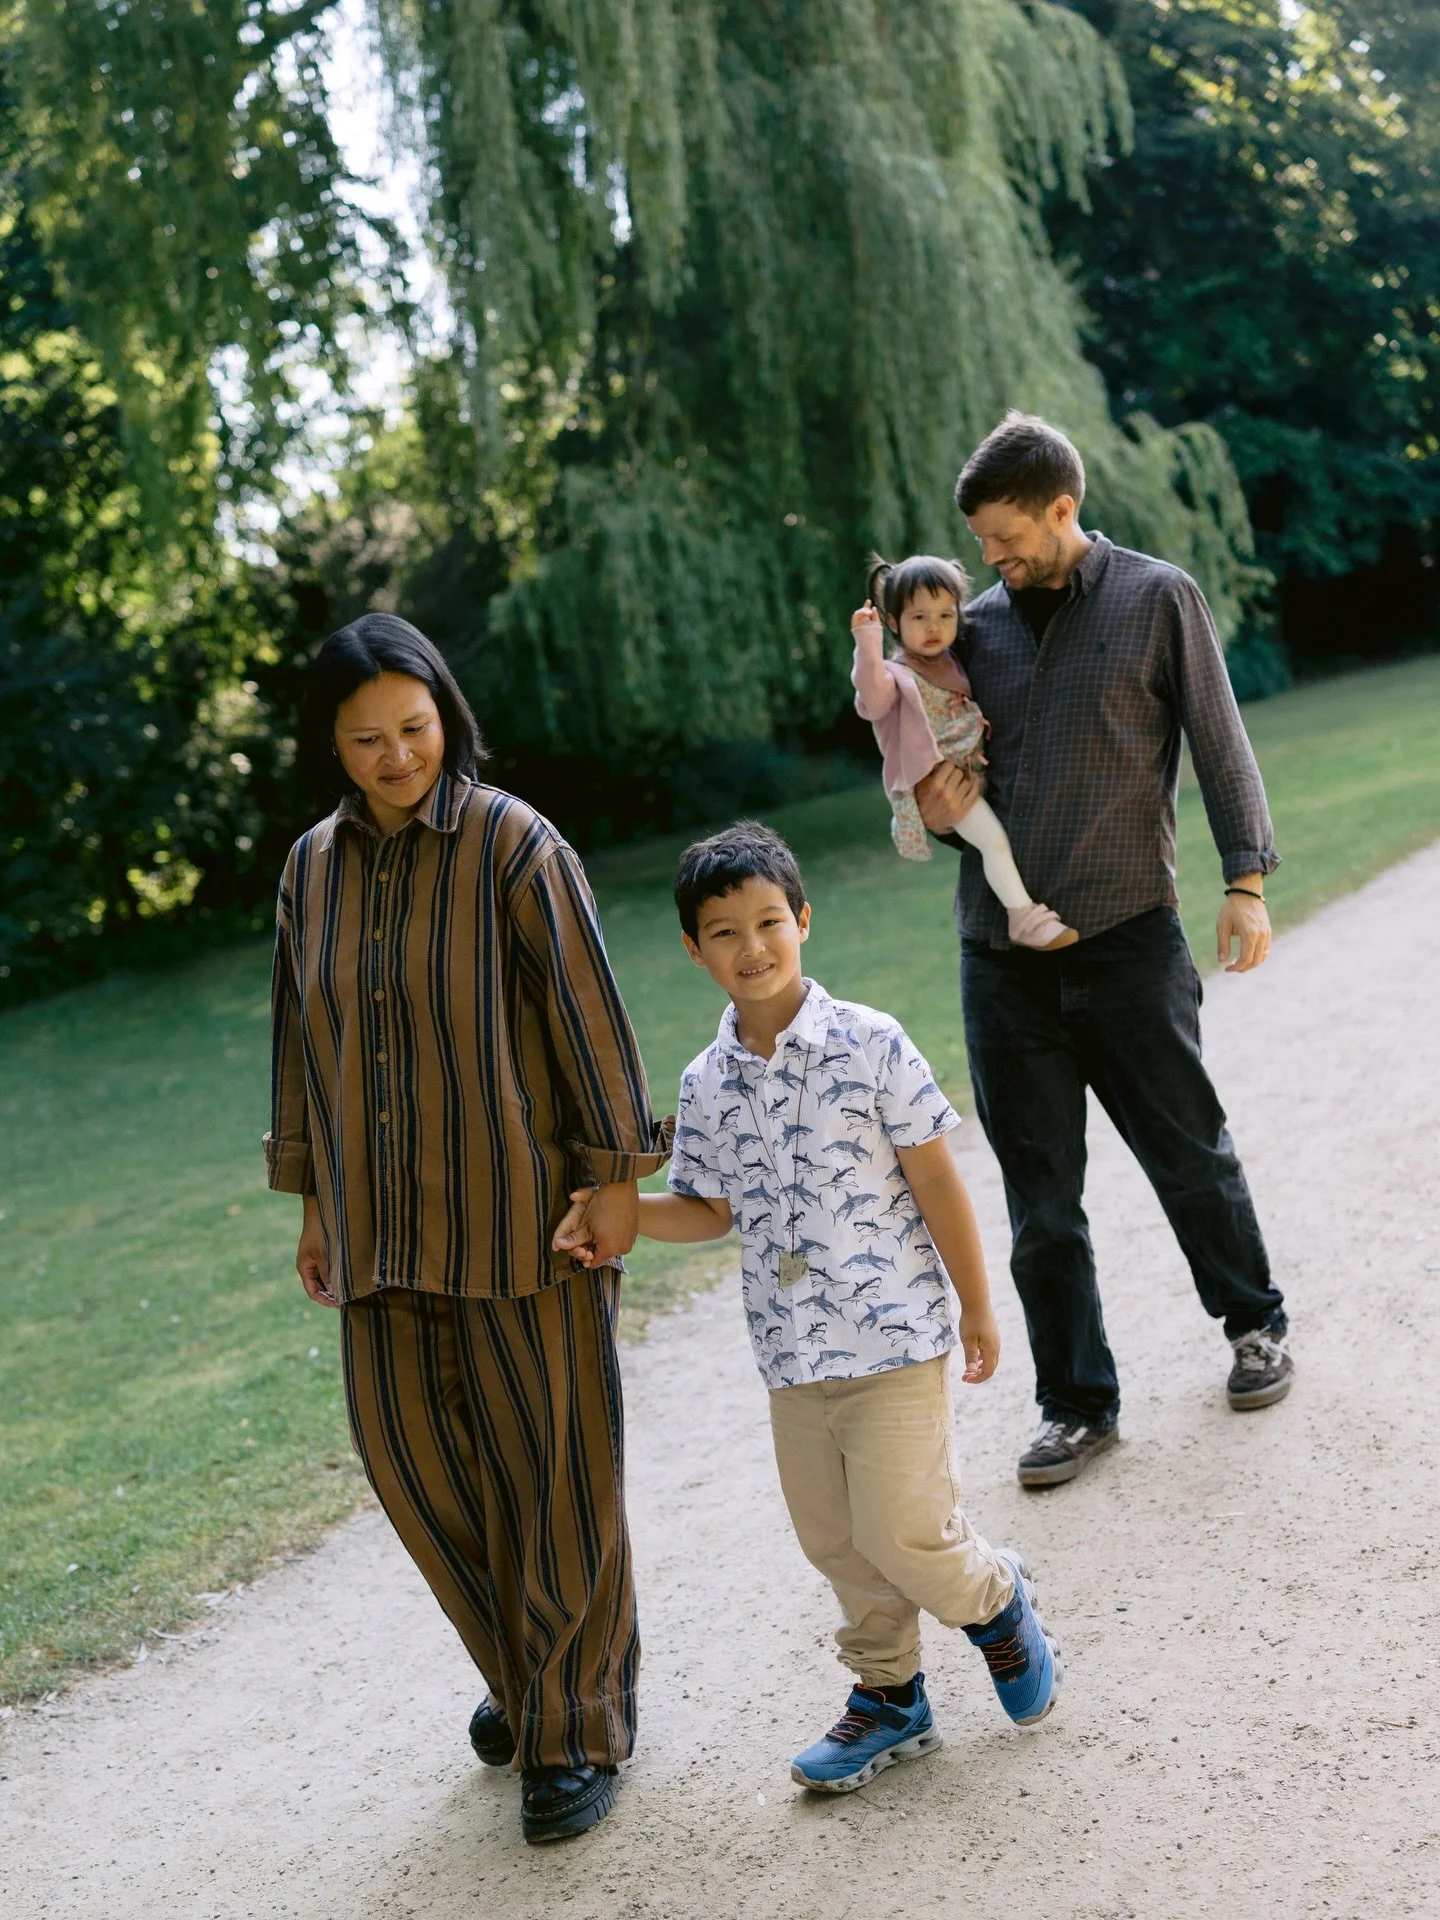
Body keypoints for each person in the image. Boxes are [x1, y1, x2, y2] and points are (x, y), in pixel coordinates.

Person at [264, 614, 667, 1845]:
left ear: (448, 714)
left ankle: (574, 1725)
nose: (398, 758)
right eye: (368, 739)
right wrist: (316, 1197)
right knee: (412, 1465)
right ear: (331, 747)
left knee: (553, 1470)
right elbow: (300, 1038)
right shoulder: (309, 871)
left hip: (521, 1218)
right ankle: (532, 1671)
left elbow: (589, 1014)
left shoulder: (512, 845)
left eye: (416, 728)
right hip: (379, 1228)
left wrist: (613, 1179)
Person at [555, 823, 1063, 1794]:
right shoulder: (706, 1085)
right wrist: (620, 1214)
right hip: (793, 1360)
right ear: (693, 949)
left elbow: (937, 1179)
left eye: (768, 922)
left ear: (804, 921)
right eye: (723, 932)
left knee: (907, 1528)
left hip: (896, 1340)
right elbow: (709, 1210)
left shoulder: (870, 1043)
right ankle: (890, 1698)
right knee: (833, 1537)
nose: (751, 947)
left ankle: (996, 1601)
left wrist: (978, 1306)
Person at [915, 411, 1292, 1490]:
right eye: (982, 542)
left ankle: (1255, 1325)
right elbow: (934, 777)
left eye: (1005, 535)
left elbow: (1222, 747)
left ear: (1061, 507)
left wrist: (1247, 884)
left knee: (1189, 1153)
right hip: (1001, 962)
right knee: (1040, 1201)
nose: (992, 559)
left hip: (1131, 940)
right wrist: (938, 810)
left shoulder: (1158, 598)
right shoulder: (971, 634)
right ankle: (1077, 1405)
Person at [851, 554, 1076, 951]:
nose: (934, 627)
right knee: (994, 841)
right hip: (942, 781)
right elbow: (872, 697)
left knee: (1004, 835)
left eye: (945, 615)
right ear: (892, 622)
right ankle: (1022, 916)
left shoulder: (950, 659)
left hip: (971, 772)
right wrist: (868, 645)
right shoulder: (897, 675)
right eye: (919, 617)